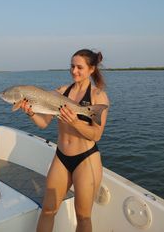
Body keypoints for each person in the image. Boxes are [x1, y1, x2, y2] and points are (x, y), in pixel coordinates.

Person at [20, 49, 109, 232]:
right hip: (61, 157)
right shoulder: (61, 92)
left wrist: (75, 122)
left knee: (83, 217)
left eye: (79, 67)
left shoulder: (98, 96)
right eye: (72, 66)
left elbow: (96, 135)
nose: (74, 71)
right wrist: (31, 112)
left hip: (86, 159)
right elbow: (43, 123)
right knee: (48, 210)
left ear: (91, 69)